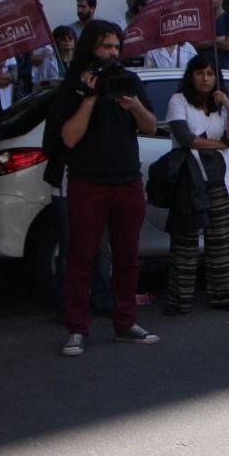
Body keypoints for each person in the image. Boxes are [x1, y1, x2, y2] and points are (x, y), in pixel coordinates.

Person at [46, 22, 160, 356]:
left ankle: (125, 323)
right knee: (81, 257)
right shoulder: (73, 87)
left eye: (116, 47)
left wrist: (134, 105)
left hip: (127, 180)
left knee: (128, 257)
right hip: (87, 181)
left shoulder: (129, 81)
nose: (112, 53)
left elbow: (151, 125)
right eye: (105, 47)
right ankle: (77, 328)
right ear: (90, 49)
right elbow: (67, 138)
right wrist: (89, 98)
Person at [162, 54, 229, 314]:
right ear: (191, 76)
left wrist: (228, 107)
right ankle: (179, 300)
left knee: (221, 241)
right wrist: (219, 145)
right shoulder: (179, 101)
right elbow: (185, 138)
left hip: (218, 181)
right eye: (200, 73)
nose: (205, 78)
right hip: (188, 179)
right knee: (185, 240)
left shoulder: (225, 104)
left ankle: (225, 296)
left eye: (210, 74)